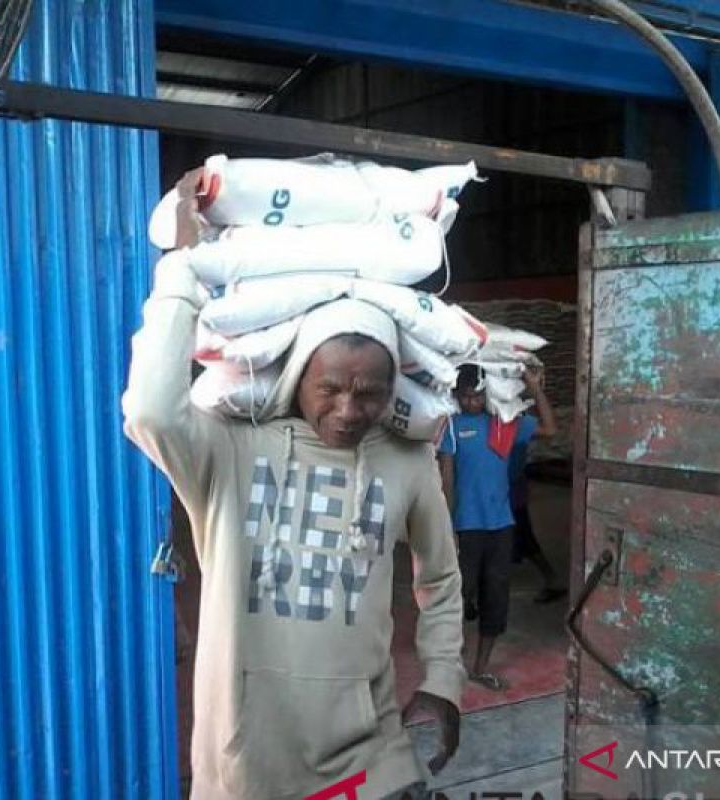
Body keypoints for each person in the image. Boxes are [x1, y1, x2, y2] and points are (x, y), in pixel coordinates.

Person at [123, 250, 465, 800]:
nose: (349, 410)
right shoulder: (226, 450)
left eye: (370, 392)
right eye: (330, 389)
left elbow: (442, 580)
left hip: (368, 747)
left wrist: (443, 679)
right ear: (299, 375)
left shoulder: (408, 462)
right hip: (247, 748)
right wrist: (178, 275)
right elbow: (150, 413)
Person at [437, 364, 557, 691]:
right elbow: (448, 481)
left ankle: (479, 667)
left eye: (476, 396)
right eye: (465, 397)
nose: (471, 402)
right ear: (456, 397)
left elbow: (549, 429)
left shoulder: (505, 425)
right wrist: (448, 529)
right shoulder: (452, 427)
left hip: (501, 526)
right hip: (467, 527)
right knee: (460, 595)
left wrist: (534, 388)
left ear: (487, 394)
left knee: (496, 596)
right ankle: (449, 662)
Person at [508, 440, 567, 604]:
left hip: (507, 488)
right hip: (505, 487)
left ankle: (553, 580)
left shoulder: (513, 425)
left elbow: (549, 431)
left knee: (522, 536)